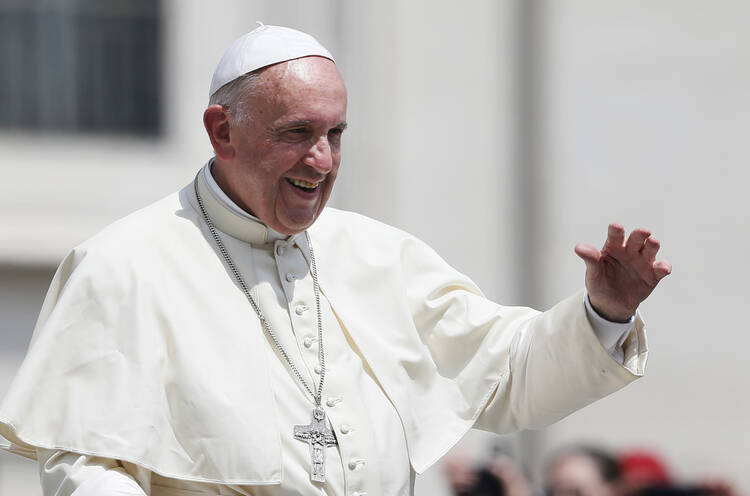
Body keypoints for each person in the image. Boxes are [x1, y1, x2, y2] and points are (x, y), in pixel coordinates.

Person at [0, 24, 671, 496]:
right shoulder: (123, 265)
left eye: (335, 135)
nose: (321, 162)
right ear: (222, 131)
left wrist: (604, 312)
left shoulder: (380, 255)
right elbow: (86, 464)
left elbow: (508, 374)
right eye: (297, 134)